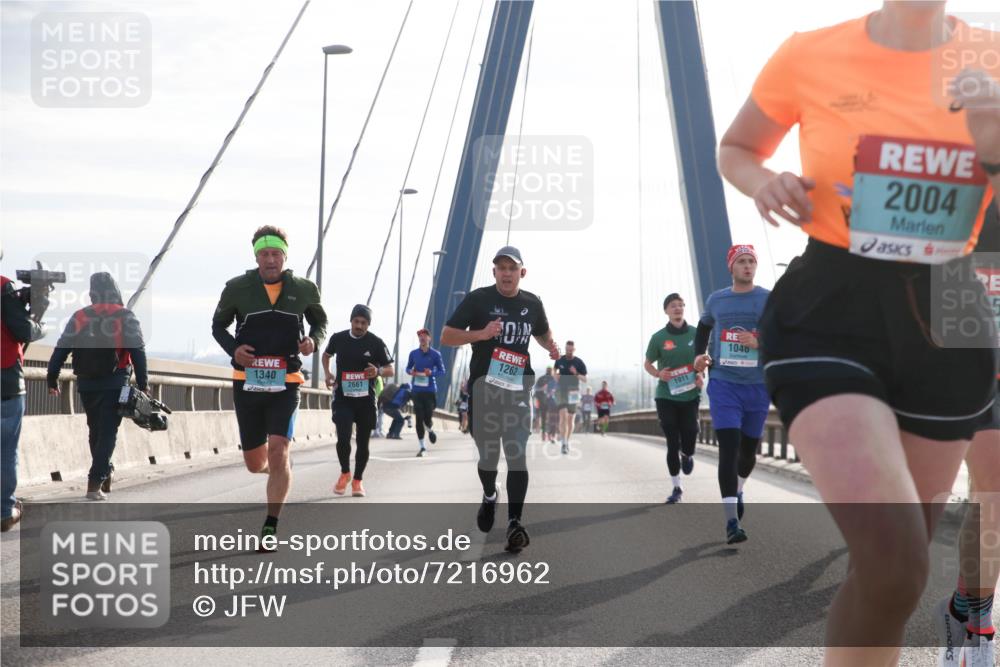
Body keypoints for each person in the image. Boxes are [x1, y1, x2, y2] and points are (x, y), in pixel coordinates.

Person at [718, 4, 998, 661]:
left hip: (947, 314)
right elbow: (737, 148)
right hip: (830, 307)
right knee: (895, 562)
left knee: (891, 579)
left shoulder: (989, 58)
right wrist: (765, 181)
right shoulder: (809, 52)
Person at [212, 226, 327, 546]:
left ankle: (270, 526)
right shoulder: (237, 288)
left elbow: (320, 321)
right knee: (255, 464)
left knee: (278, 449)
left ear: (285, 257)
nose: (270, 259)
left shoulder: (304, 289)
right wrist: (234, 350)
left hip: (286, 382)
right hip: (246, 382)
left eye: (276, 253)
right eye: (264, 254)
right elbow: (218, 326)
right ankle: (277, 469)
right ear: (256, 257)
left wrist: (312, 340)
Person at [441, 246, 559, 552]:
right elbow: (447, 336)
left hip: (518, 388)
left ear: (522, 272)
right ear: (494, 272)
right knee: (488, 457)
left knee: (516, 453)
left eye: (512, 268)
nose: (507, 273)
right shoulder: (478, 299)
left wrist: (551, 346)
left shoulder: (532, 303)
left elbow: (542, 332)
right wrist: (480, 334)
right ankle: (490, 494)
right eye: (501, 268)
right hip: (484, 390)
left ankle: (515, 523)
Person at [937, 199, 1000, 667]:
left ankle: (963, 607)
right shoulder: (961, 206)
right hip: (971, 376)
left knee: (987, 498)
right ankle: (980, 628)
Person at [46, 273, 148, 501]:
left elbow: (61, 348)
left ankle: (104, 471)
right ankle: (95, 482)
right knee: (108, 431)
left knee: (95, 430)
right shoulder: (125, 315)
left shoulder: (80, 316)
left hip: (86, 383)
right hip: (116, 382)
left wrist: (52, 378)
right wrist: (143, 384)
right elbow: (138, 351)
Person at [692, 246, 769, 543]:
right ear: (731, 267)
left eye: (751, 261)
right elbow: (703, 329)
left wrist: (759, 340)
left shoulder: (767, 299)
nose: (748, 266)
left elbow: (784, 333)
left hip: (757, 385)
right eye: (742, 262)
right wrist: (699, 355)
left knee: (748, 452)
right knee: (729, 447)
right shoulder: (717, 300)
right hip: (724, 383)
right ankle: (731, 522)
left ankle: (738, 488)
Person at [323, 304, 394, 497]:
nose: (359, 326)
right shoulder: (338, 338)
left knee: (363, 443)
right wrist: (328, 373)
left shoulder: (376, 343)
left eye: (364, 323)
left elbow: (390, 369)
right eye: (356, 321)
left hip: (366, 401)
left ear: (368, 324)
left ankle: (357, 481)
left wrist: (378, 371)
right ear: (351, 321)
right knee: (343, 437)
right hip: (343, 398)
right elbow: (326, 355)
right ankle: (345, 473)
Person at [645, 293, 704, 504]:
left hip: (690, 395)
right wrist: (658, 374)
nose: (677, 308)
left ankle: (687, 454)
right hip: (666, 396)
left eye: (680, 305)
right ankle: (677, 487)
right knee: (672, 441)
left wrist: (701, 374)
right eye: (673, 306)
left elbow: (703, 360)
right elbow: (648, 364)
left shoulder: (696, 333)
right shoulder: (658, 338)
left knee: (690, 432)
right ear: (666, 311)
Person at [1, 268, 45, 530]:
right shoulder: (2, 287)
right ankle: (4, 511)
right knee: (6, 450)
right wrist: (39, 323)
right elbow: (23, 330)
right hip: (5, 381)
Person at [405, 328, 446, 456]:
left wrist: (431, 373)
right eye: (420, 336)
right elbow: (407, 368)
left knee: (427, 417)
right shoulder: (413, 354)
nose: (422, 338)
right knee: (419, 418)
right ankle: (422, 447)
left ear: (429, 338)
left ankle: (429, 428)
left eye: (424, 336)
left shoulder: (436, 354)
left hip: (430, 390)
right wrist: (411, 371)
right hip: (417, 390)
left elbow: (442, 371)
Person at [554, 341, 588, 454]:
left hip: (574, 392)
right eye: (567, 349)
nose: (568, 352)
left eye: (570, 350)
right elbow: (555, 371)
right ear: (565, 348)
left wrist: (576, 373)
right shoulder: (560, 359)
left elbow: (585, 379)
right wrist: (555, 376)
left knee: (570, 419)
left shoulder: (579, 362)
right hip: (561, 391)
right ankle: (563, 443)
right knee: (563, 414)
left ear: (574, 350)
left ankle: (566, 441)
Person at [532, 367, 556, 436]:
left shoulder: (552, 379)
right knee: (540, 414)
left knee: (545, 415)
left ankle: (544, 430)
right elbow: (536, 388)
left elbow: (555, 389)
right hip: (540, 399)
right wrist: (543, 389)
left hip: (547, 400)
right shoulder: (542, 378)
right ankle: (541, 430)